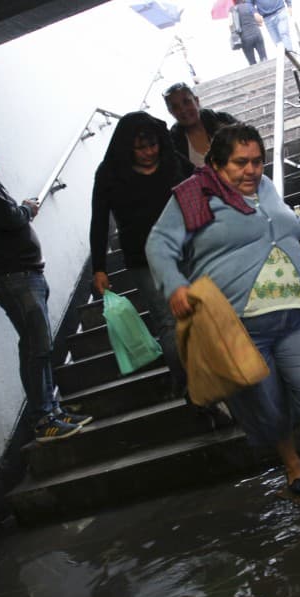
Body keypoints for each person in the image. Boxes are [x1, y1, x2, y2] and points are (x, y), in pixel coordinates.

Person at [146, 123, 300, 497]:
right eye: (240, 163)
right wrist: (175, 285)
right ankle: (293, 465)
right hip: (239, 322)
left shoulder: (264, 187)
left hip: (295, 311)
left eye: (257, 161)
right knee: (268, 402)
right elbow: (158, 244)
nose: (251, 170)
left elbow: (279, 223)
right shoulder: (193, 195)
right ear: (216, 164)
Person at [0, 136, 93, 442]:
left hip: (20, 276)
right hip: (16, 277)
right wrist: (27, 208)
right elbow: (11, 218)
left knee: (38, 346)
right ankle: (43, 419)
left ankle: (52, 410)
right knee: (36, 347)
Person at [90, 112, 193, 397]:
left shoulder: (171, 159)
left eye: (153, 145)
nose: (149, 152)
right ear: (127, 147)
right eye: (140, 148)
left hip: (185, 247)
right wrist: (99, 267)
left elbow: (200, 182)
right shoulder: (110, 172)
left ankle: (211, 375)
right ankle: (190, 388)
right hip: (143, 259)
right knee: (169, 322)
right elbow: (99, 220)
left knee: (202, 311)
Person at [164, 83, 237, 168]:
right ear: (170, 112)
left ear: (196, 101)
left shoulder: (223, 120)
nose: (183, 110)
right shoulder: (174, 145)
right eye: (175, 107)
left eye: (186, 102)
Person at [232, 0, 268, 66]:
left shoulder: (233, 9)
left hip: (245, 38)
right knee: (264, 58)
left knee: (252, 62)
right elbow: (259, 20)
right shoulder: (249, 6)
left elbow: (232, 25)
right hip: (257, 33)